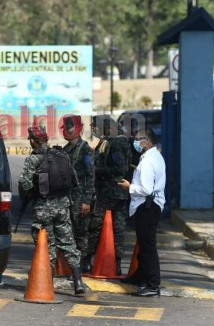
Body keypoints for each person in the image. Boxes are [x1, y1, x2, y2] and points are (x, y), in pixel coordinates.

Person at [18, 125, 87, 295]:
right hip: (63, 205)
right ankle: (78, 281)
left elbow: (24, 184)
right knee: (68, 242)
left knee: (45, 244)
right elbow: (72, 179)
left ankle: (46, 280)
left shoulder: (34, 159)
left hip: (43, 208)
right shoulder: (61, 154)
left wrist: (32, 192)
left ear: (34, 141)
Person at [118, 127, 166, 297]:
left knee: (148, 247)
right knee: (144, 244)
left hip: (147, 206)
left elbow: (146, 189)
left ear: (148, 140)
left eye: (139, 139)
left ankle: (153, 285)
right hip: (151, 205)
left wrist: (129, 186)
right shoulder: (154, 157)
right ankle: (140, 277)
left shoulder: (147, 161)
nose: (136, 142)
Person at [88, 115, 132, 275]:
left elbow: (120, 169)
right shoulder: (107, 141)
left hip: (112, 192)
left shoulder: (118, 142)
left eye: (97, 128)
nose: (96, 132)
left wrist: (97, 171)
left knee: (99, 224)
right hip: (107, 190)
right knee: (112, 226)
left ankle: (110, 262)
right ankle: (99, 260)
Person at [61, 115, 95, 273]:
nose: (68, 130)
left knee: (81, 232)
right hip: (68, 197)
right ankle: (73, 265)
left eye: (71, 127)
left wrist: (87, 201)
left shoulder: (85, 149)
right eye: (66, 127)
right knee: (69, 232)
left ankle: (84, 262)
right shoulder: (66, 150)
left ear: (78, 129)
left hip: (80, 197)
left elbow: (90, 176)